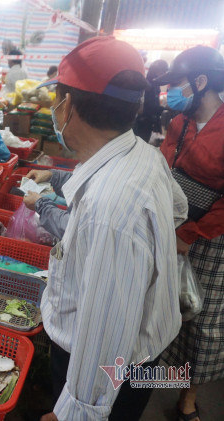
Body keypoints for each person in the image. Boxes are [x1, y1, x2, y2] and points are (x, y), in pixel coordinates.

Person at [34, 36, 188, 421]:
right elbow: (178, 209)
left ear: (67, 106)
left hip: (108, 376)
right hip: (135, 359)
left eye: (56, 99)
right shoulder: (143, 153)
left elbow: (105, 332)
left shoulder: (111, 211)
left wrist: (75, 413)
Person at [153, 45, 224, 421]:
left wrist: (193, 234)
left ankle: (188, 398)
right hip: (171, 226)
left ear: (200, 82)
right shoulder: (178, 124)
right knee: (167, 309)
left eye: (177, 84)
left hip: (211, 238)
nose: (170, 93)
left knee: (202, 318)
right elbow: (164, 171)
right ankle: (151, 378)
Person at [134, 59, 169, 142]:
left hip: (149, 121)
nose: (164, 75)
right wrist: (165, 109)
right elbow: (148, 107)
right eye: (163, 72)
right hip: (143, 121)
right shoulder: (148, 86)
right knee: (140, 142)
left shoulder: (155, 85)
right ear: (158, 72)